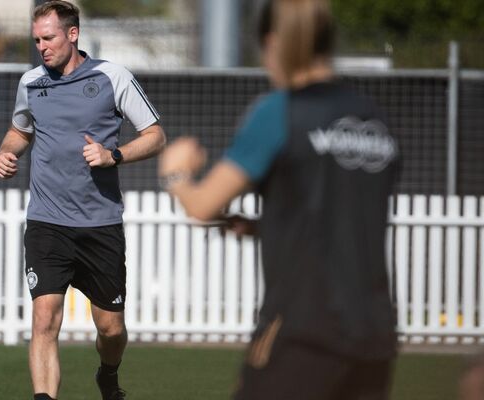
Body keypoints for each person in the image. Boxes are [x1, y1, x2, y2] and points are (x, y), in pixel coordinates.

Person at [158, 0, 399, 399]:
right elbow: (342, 217)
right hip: (375, 332)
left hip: (304, 328)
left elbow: (201, 205)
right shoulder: (374, 119)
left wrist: (176, 173)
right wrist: (265, 227)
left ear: (273, 44)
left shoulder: (281, 111)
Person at [0, 2, 166, 399]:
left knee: (111, 329)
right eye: (36, 39)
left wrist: (113, 155)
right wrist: (7, 153)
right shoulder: (31, 82)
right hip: (46, 222)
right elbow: (20, 131)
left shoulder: (112, 76)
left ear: (73, 34)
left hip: (100, 224)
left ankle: (108, 374)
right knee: (43, 320)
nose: (42, 47)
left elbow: (156, 136)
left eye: (48, 38)